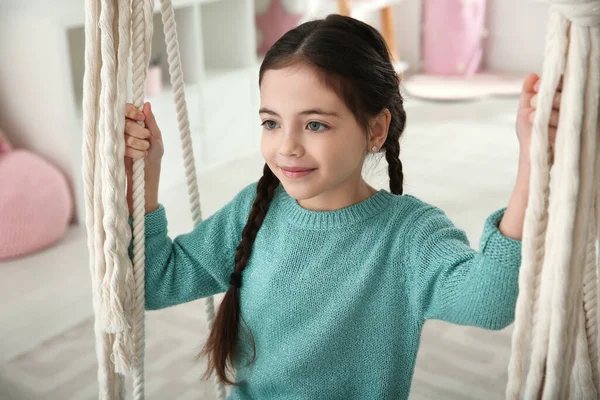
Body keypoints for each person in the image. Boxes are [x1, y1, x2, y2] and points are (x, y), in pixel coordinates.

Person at [123, 14, 560, 400]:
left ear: (375, 130)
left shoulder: (409, 235)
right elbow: (154, 283)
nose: (287, 146)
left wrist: (532, 164)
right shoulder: (252, 211)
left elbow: (490, 301)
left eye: (315, 124)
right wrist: (145, 175)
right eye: (271, 122)